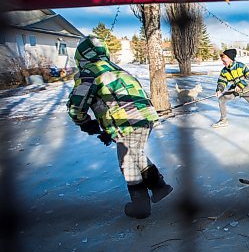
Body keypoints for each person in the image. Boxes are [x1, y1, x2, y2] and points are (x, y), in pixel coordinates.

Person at [67, 36, 173, 219]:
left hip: (126, 121)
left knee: (127, 162)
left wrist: (85, 122)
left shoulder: (89, 72)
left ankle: (141, 206)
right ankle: (158, 187)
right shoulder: (117, 69)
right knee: (135, 153)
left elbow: (77, 105)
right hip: (144, 117)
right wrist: (109, 130)